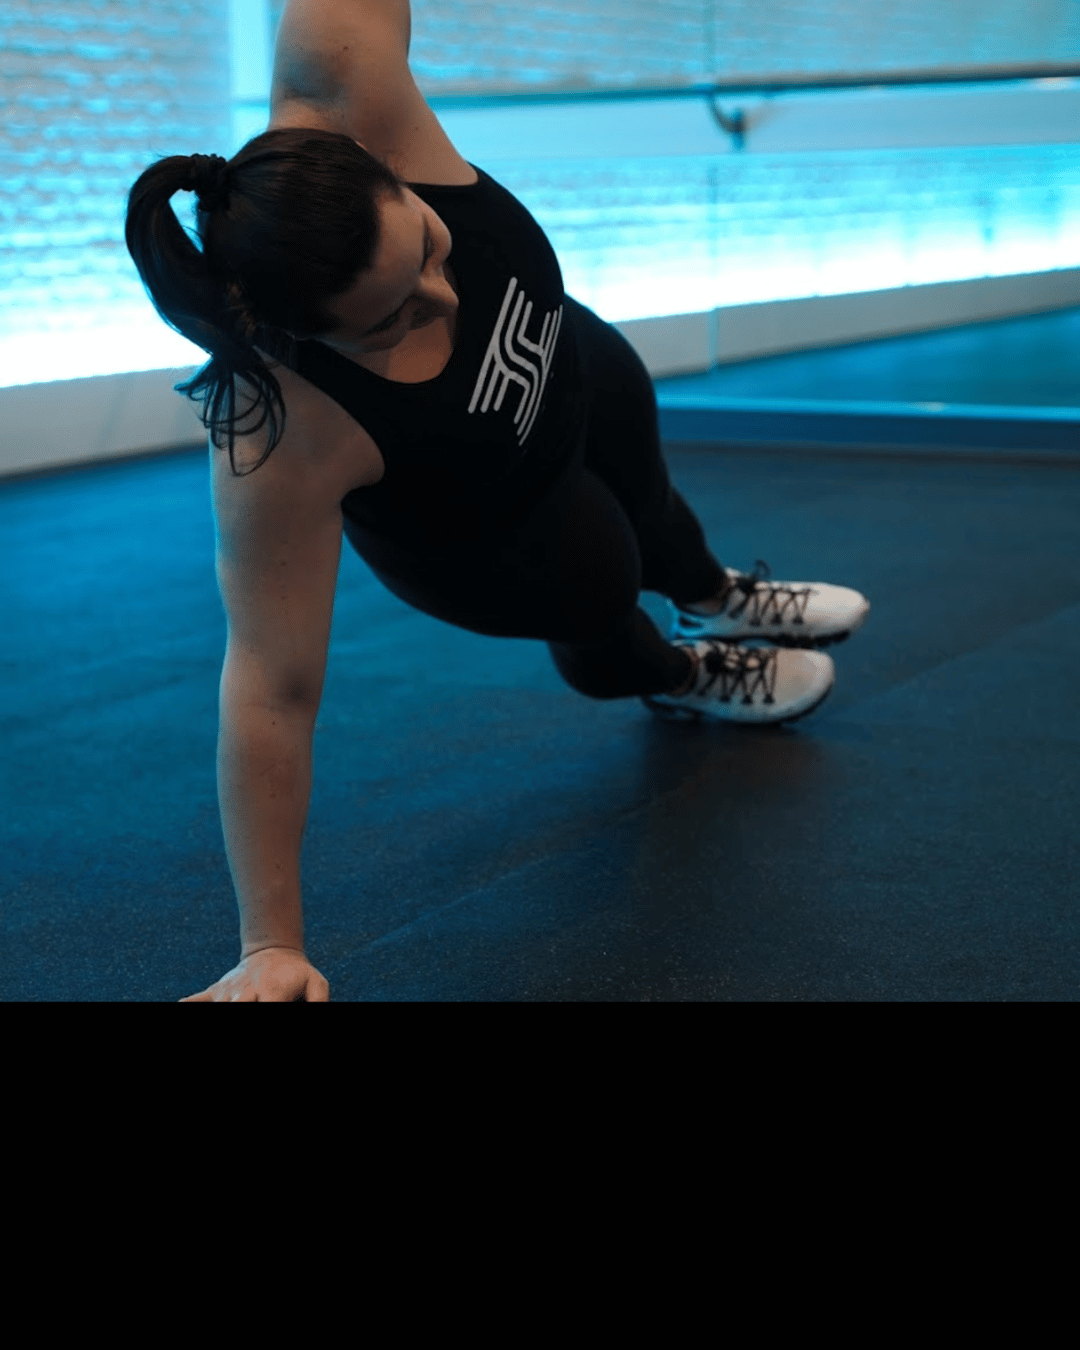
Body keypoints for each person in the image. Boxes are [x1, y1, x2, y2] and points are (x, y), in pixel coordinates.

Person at [124, 0, 869, 1001]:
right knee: (604, 577)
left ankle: (712, 588)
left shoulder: (347, 86)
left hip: (564, 366)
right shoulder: (280, 429)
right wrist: (270, 944)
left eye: (429, 246)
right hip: (484, 531)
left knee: (648, 491)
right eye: (390, 317)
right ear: (301, 332)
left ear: (386, 165)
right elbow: (270, 685)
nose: (442, 296)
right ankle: (676, 669)